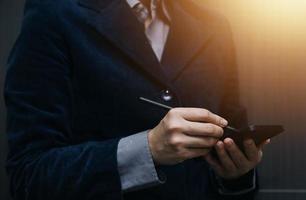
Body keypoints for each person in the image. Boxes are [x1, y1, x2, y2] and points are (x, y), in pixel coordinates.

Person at [4, 0, 269, 199]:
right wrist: (148, 150)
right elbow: (29, 174)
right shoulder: (54, 14)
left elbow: (231, 145)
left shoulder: (214, 25)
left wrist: (237, 175)